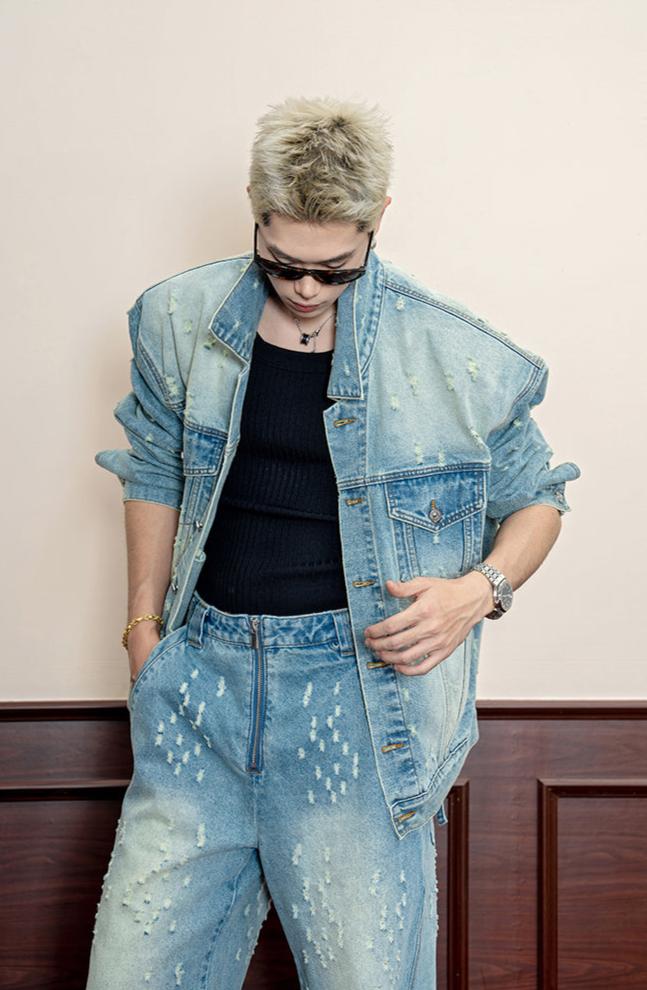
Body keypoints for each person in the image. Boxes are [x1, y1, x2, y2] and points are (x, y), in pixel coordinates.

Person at [86, 96, 581, 989]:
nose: (307, 288)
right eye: (282, 263)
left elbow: (538, 499)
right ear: (254, 208)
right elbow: (153, 466)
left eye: (335, 269)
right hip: (200, 686)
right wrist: (142, 630)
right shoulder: (178, 318)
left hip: (356, 696)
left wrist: (477, 592)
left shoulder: (451, 351)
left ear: (377, 219)